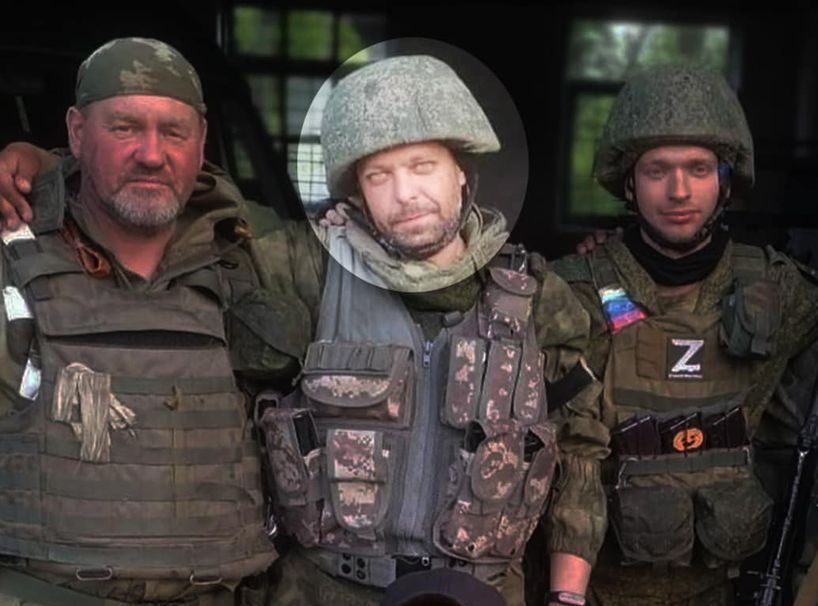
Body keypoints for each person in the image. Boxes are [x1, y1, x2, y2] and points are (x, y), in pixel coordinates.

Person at [0, 53, 607, 606]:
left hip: (481, 592)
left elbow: (579, 449)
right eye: (379, 175)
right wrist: (50, 169)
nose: (406, 194)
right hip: (320, 589)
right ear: (355, 192)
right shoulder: (299, 267)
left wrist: (567, 595)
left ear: (463, 172)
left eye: (424, 166)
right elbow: (167, 213)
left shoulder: (539, 298)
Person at [0, 37, 292, 605]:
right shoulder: (15, 253)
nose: (152, 154)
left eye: (173, 132)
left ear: (201, 142)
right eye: (124, 127)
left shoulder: (257, 253)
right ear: (77, 132)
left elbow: (395, 265)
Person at [549, 64, 818, 605]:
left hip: (727, 587)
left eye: (698, 169)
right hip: (597, 590)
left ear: (726, 180)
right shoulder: (571, 292)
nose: (679, 191)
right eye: (657, 171)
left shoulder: (783, 292)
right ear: (629, 183)